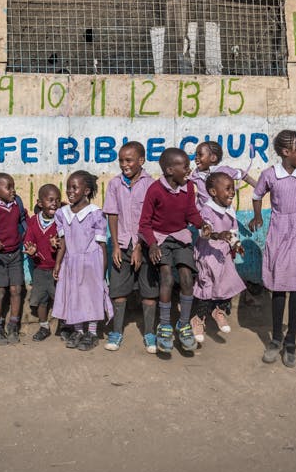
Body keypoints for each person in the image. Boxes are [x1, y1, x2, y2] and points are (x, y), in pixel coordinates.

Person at [248, 130, 296, 368]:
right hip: (280, 229)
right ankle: (276, 338)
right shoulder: (270, 175)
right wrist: (258, 216)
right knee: (279, 285)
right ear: (286, 152)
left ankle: (291, 341)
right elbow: (257, 195)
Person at [139, 147, 206, 354]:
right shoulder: (155, 190)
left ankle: (183, 324)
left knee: (187, 278)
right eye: (184, 166)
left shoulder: (189, 188)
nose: (188, 169)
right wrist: (152, 245)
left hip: (180, 236)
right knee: (167, 278)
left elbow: (190, 212)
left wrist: (203, 225)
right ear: (169, 170)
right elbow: (144, 224)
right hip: (160, 239)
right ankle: (165, 325)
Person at [103, 141, 157, 352]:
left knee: (149, 290)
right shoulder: (115, 184)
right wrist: (116, 245)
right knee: (118, 288)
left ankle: (150, 333)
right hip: (122, 244)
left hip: (145, 245)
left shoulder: (151, 184)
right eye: (121, 161)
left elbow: (150, 218)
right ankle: (116, 332)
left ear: (141, 161)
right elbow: (113, 215)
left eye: (129, 160)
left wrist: (139, 246)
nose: (124, 164)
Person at [53, 170, 111, 351]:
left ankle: (92, 333)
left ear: (86, 191)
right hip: (71, 262)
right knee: (74, 296)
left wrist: (102, 272)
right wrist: (58, 263)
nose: (70, 191)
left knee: (91, 296)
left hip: (91, 262)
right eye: (68, 188)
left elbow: (102, 246)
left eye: (74, 187)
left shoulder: (96, 214)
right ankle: (78, 330)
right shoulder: (62, 214)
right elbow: (63, 242)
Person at [192, 171, 248, 343]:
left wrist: (236, 244)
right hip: (208, 254)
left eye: (233, 188)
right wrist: (217, 234)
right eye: (228, 188)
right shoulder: (207, 210)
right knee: (206, 286)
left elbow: (232, 231)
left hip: (223, 254)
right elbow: (205, 231)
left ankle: (219, 311)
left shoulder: (229, 210)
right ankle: (198, 319)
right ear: (213, 192)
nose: (232, 192)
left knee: (229, 281)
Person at [0, 173, 29, 345]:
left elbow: (23, 221)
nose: (13, 190)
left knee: (16, 289)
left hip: (15, 253)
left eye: (13, 186)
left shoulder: (17, 202)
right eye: (8, 187)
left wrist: (26, 240)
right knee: (0, 291)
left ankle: (13, 325)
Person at [24, 183, 63, 342]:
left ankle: (64, 327)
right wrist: (32, 251)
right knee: (41, 300)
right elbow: (28, 241)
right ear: (40, 203)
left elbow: (65, 243)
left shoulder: (60, 220)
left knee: (60, 298)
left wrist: (57, 245)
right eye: (50, 200)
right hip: (40, 268)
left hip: (57, 268)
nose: (54, 203)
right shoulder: (34, 221)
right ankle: (44, 326)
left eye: (58, 200)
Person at [189, 140, 255, 207]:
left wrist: (259, 187)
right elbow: (185, 183)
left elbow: (243, 175)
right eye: (196, 155)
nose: (196, 158)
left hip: (222, 212)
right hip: (203, 213)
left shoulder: (224, 171)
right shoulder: (196, 174)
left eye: (200, 155)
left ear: (213, 158)